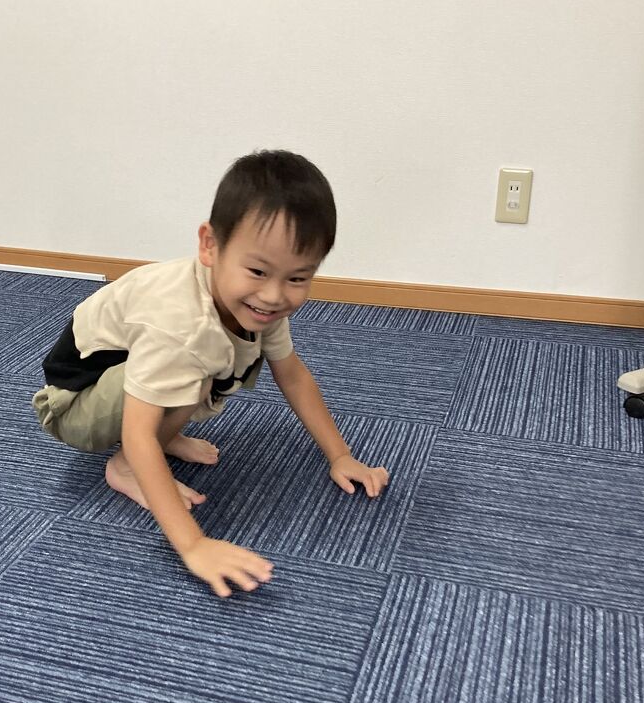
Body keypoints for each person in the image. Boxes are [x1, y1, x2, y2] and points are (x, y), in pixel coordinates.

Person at [33, 150, 389, 597]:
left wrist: (341, 456)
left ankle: (167, 426)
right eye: (257, 271)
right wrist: (194, 545)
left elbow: (293, 375)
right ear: (210, 245)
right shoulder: (181, 324)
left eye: (298, 278)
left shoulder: (258, 303)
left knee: (203, 365)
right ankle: (123, 469)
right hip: (72, 405)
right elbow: (139, 434)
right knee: (197, 367)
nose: (274, 295)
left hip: (128, 377)